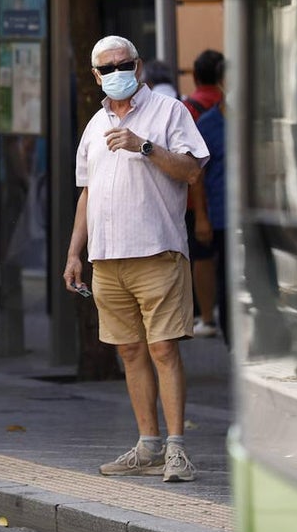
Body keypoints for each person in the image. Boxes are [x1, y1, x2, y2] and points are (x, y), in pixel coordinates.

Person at [62, 35, 209, 483]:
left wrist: (144, 146)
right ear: (95, 75)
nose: (116, 73)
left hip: (157, 249)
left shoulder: (170, 112)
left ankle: (177, 448)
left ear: (138, 65)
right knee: (129, 350)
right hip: (107, 257)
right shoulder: (93, 126)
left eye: (122, 64)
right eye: (106, 68)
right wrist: (74, 252)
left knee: (164, 348)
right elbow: (86, 193)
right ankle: (148, 444)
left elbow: (193, 169)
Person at [183, 50, 225, 338]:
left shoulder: (189, 109)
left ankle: (207, 316)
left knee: (202, 258)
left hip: (197, 200)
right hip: (223, 200)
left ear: (196, 76)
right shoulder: (223, 110)